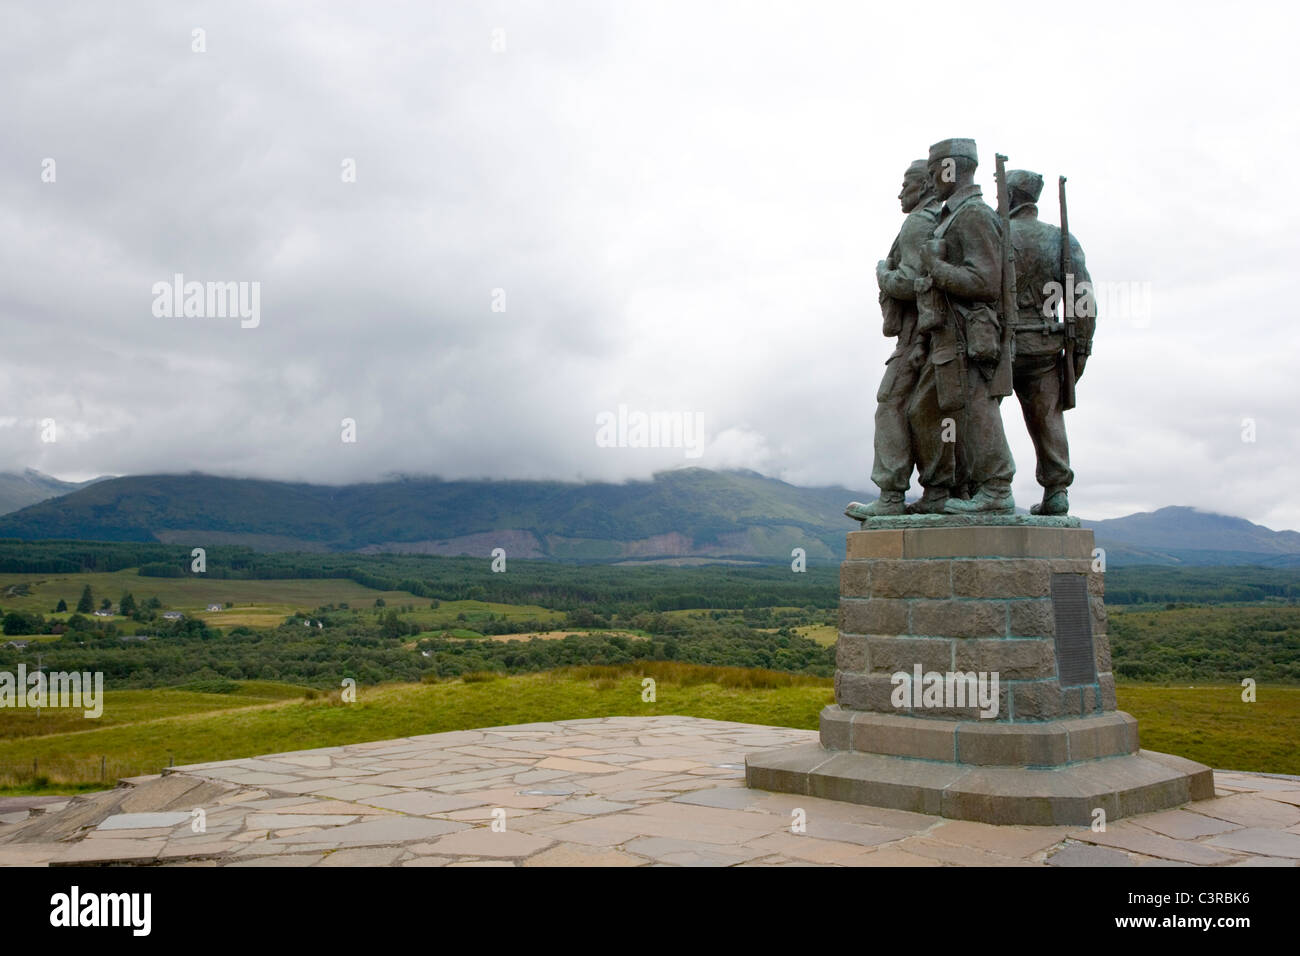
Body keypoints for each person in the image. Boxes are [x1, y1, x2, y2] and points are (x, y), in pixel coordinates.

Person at [1005, 169, 1094, 515]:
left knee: (980, 414)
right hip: (1044, 343)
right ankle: (1057, 490)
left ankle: (986, 485)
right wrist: (1082, 347)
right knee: (1048, 418)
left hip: (1000, 344)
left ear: (1010, 195)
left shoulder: (996, 233)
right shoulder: (1062, 240)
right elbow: (1082, 300)